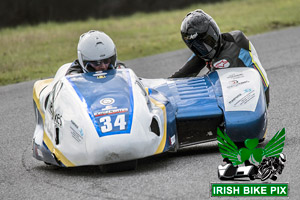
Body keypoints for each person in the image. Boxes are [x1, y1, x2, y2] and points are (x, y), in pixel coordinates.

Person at [170, 9, 269, 105]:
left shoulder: (235, 43)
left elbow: (214, 82)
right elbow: (182, 75)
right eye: (197, 45)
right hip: (233, 95)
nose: (203, 48)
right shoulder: (202, 53)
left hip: (258, 96)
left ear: (213, 32)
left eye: (206, 41)